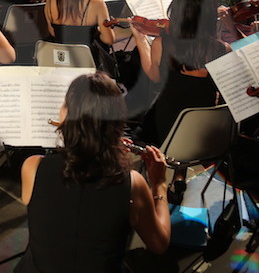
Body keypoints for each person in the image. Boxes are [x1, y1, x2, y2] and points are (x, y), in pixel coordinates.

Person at [17, 73, 171, 272]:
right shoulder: (133, 184)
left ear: (67, 116)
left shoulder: (32, 167)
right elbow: (159, 244)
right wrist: (159, 183)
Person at [131, 0, 229, 199]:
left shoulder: (163, 43)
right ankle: (180, 174)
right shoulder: (222, 50)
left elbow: (154, 76)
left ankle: (172, 174)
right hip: (203, 132)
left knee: (159, 111)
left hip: (167, 129)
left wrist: (140, 39)